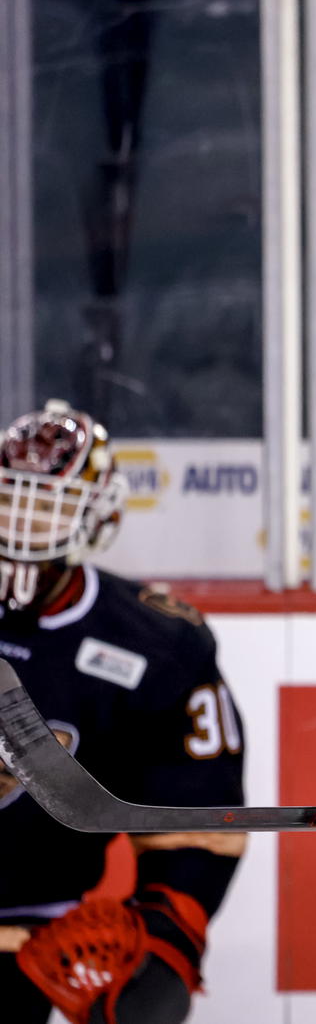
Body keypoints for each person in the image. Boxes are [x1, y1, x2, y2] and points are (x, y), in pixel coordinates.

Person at [0, 400, 245, 1024]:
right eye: (10, 500)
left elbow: (196, 819)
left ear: (97, 513)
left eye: (47, 504)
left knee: (147, 1000)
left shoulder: (154, 645)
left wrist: (167, 930)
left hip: (34, 931)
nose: (23, 524)